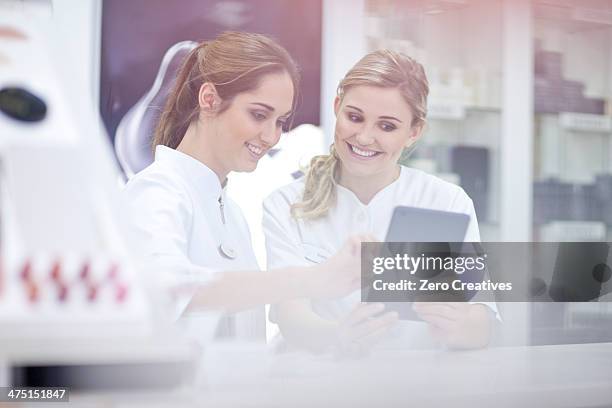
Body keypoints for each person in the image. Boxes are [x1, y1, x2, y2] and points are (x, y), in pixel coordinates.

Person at [121, 32, 365, 340]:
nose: (271, 136)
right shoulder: (156, 192)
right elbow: (168, 288)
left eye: (279, 121)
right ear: (209, 100)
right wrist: (308, 280)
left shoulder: (230, 211)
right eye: (258, 115)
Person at [263, 49, 495, 353]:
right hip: (319, 385)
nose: (364, 137)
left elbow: (483, 322)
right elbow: (291, 316)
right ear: (337, 107)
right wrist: (337, 337)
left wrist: (458, 324)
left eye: (387, 126)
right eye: (355, 117)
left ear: (414, 131)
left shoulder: (446, 201)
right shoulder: (285, 204)